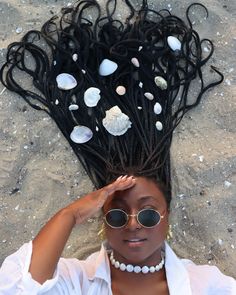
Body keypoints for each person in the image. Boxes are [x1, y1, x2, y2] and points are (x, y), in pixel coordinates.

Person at [0, 0, 235, 294]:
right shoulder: (76, 280)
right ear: (102, 221)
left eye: (149, 214)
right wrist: (69, 215)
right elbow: (17, 288)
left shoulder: (208, 284)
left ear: (168, 218)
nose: (133, 225)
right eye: (116, 214)